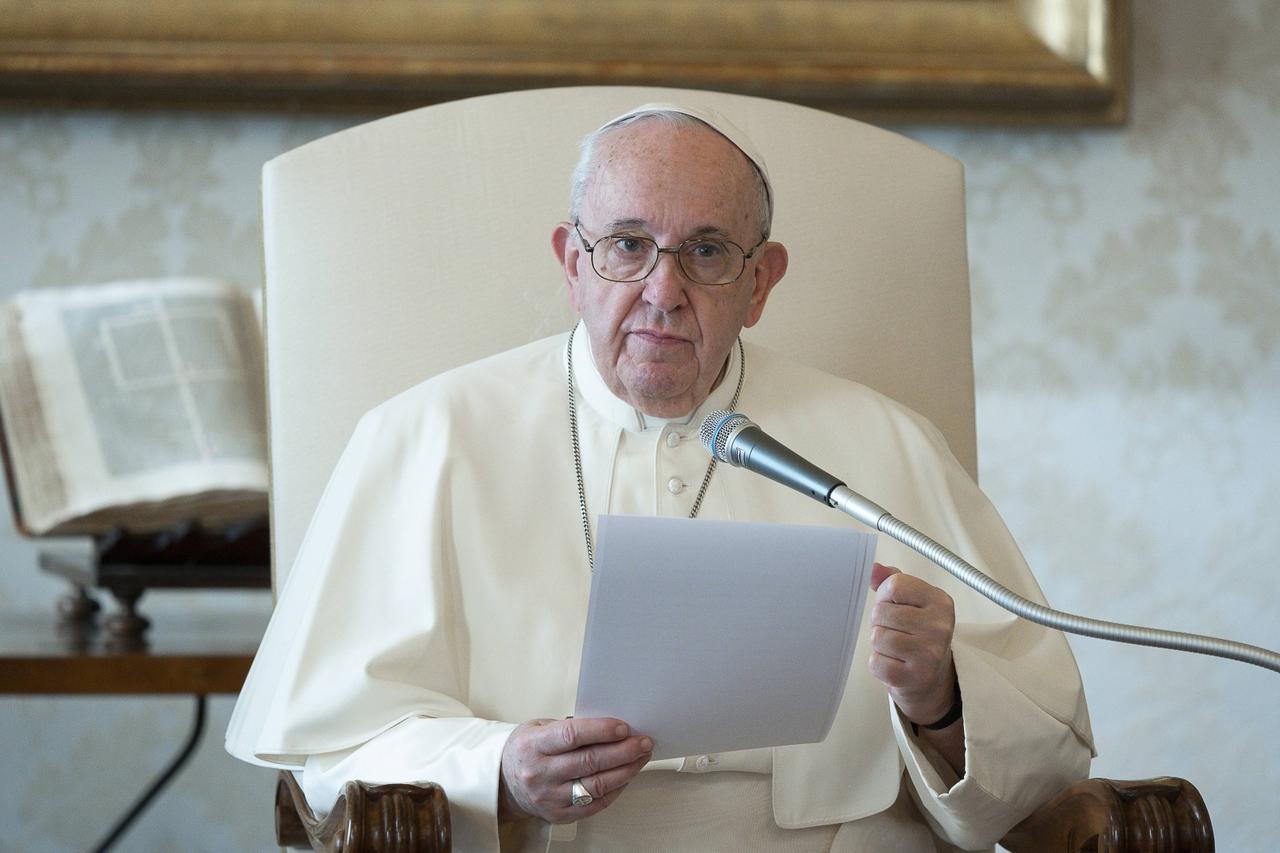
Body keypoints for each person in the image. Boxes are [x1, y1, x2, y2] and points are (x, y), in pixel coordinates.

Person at [227, 103, 1094, 852]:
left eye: (708, 251)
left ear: (761, 282)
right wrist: (496, 765)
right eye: (628, 246)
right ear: (572, 261)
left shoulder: (885, 445)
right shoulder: (425, 439)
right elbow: (328, 750)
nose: (663, 289)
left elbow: (1047, 751)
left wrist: (941, 695)